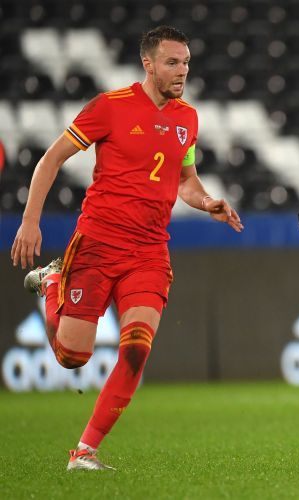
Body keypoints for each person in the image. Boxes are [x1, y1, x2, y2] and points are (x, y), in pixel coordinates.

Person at [10, 26, 243, 471]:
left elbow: (184, 180)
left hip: (150, 251)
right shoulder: (110, 107)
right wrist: (30, 221)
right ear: (148, 64)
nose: (182, 71)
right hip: (98, 243)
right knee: (71, 357)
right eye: (173, 63)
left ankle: (84, 452)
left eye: (187, 62)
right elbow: (51, 159)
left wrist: (206, 201)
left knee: (136, 349)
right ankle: (53, 282)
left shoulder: (188, 118)